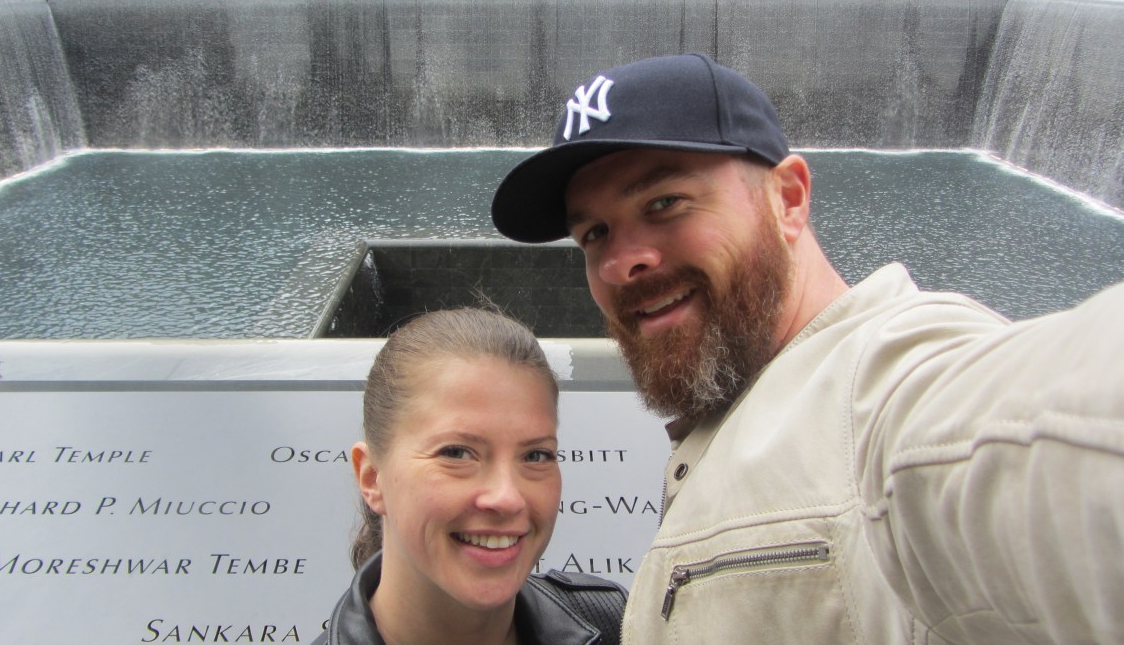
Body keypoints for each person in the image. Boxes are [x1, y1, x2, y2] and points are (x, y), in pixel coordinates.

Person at [491, 53, 1124, 644]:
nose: (620, 263)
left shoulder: (884, 386)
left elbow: (1036, 435)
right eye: (594, 233)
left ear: (788, 199)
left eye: (665, 202)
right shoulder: (735, 401)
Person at [314, 308, 626, 645]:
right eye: (456, 453)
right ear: (372, 478)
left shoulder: (621, 625)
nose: (507, 497)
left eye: (535, 455)